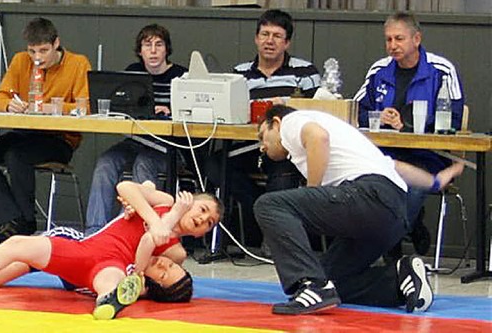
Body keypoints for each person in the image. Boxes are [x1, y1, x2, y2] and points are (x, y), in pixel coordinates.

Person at [254, 104, 464, 315]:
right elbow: (394, 167)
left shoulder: (291, 121)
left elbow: (318, 138)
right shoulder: (348, 141)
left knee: (269, 205)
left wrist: (312, 192)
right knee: (332, 281)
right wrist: (434, 182)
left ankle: (311, 285)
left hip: (369, 196)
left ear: (276, 123)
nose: (262, 146)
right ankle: (399, 279)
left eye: (263, 136)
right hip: (393, 214)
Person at [0, 180, 222, 319]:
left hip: (110, 266)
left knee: (110, 281)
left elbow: (145, 255)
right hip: (84, 250)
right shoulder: (165, 201)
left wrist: (161, 224)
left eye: (209, 223)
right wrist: (153, 213)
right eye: (204, 209)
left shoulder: (177, 254)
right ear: (191, 198)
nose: (203, 219)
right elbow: (126, 187)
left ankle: (109, 302)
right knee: (15, 247)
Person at [204, 9, 320, 248]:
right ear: (256, 38)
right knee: (215, 164)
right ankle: (259, 210)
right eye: (265, 34)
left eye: (277, 36)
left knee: (285, 168)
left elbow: (317, 111)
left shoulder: (305, 72)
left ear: (287, 42)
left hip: (286, 146)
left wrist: (287, 106)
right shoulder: (239, 74)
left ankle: (273, 240)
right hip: (250, 145)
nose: (270, 41)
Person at [0, 17, 92, 244]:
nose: (37, 58)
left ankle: (25, 221)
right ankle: (11, 220)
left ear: (57, 43)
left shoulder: (78, 64)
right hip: (24, 133)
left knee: (17, 156)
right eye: (32, 51)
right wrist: (9, 104)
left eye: (43, 51)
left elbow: (84, 107)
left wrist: (50, 108)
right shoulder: (20, 61)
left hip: (59, 138)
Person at [353, 12, 465, 256]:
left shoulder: (442, 70)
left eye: (399, 39)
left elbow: (453, 118)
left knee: (411, 187)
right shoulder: (378, 70)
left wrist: (409, 126)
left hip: (429, 155)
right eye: (388, 40)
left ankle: (390, 247)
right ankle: (406, 234)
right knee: (373, 183)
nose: (392, 46)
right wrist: (378, 117)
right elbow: (356, 111)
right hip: (387, 154)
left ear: (416, 39)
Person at [85, 24, 188, 234]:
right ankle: (94, 231)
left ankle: (136, 231)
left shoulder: (182, 76)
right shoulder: (132, 73)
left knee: (143, 163)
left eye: (158, 45)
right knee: (105, 162)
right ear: (139, 50)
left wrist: (170, 110)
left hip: (168, 147)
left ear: (166, 49)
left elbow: (190, 112)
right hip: (136, 140)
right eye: (147, 45)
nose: (153, 50)